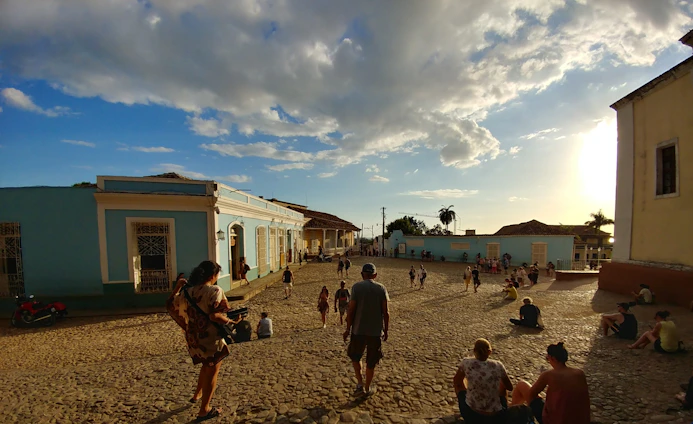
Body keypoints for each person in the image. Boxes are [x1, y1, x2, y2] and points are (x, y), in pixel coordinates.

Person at [166, 260, 230, 421]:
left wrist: (177, 287)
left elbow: (170, 305)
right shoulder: (215, 290)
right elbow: (216, 315)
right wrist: (230, 322)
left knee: (205, 365)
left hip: (194, 337)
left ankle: (197, 395)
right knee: (213, 370)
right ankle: (204, 409)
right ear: (212, 276)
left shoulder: (188, 292)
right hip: (210, 337)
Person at [511, 342, 591, 424]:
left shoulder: (549, 375)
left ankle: (511, 415)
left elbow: (531, 394)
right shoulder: (580, 373)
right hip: (579, 419)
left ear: (553, 358)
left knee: (522, 385)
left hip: (555, 420)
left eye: (548, 358)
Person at [343, 263, 389, 397]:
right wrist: (386, 330)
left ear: (362, 274)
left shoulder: (357, 287)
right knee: (371, 361)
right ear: (375, 275)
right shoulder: (381, 289)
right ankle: (367, 387)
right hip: (375, 332)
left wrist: (347, 329)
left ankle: (359, 383)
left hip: (358, 330)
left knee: (356, 357)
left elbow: (351, 310)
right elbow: (386, 312)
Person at [452, 338, 513, 423]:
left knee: (459, 382)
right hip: (496, 417)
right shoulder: (498, 365)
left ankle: (469, 401)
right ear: (489, 352)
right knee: (502, 386)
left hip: (472, 415)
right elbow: (510, 387)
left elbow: (457, 381)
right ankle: (505, 408)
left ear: (474, 351)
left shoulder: (466, 362)